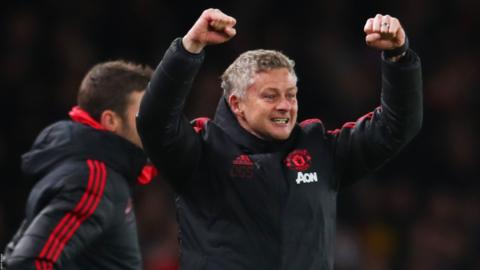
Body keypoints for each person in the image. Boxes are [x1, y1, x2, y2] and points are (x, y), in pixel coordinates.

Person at [137, 8, 422, 270]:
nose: (285, 105)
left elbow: (396, 127)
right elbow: (153, 122)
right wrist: (188, 49)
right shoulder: (203, 151)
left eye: (290, 95)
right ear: (237, 104)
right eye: (270, 96)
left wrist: (398, 57)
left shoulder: (320, 148)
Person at [4, 60, 157, 269]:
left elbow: (15, 255)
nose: (153, 121)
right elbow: (28, 263)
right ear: (111, 120)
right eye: (143, 113)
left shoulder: (93, 171)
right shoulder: (96, 180)